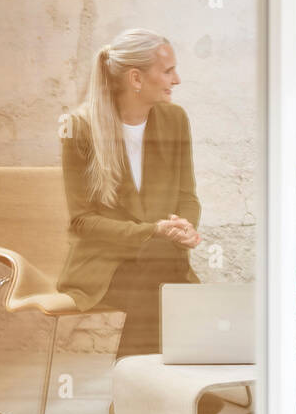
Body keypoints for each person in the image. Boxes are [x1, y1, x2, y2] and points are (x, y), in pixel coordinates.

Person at [56, 28, 203, 360]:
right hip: (104, 265)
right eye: (167, 71)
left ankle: (137, 396)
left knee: (161, 274)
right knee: (164, 284)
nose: (176, 79)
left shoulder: (175, 119)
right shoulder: (78, 128)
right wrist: (152, 231)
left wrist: (185, 226)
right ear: (136, 78)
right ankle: (151, 393)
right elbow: (81, 222)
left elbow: (187, 196)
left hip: (161, 257)